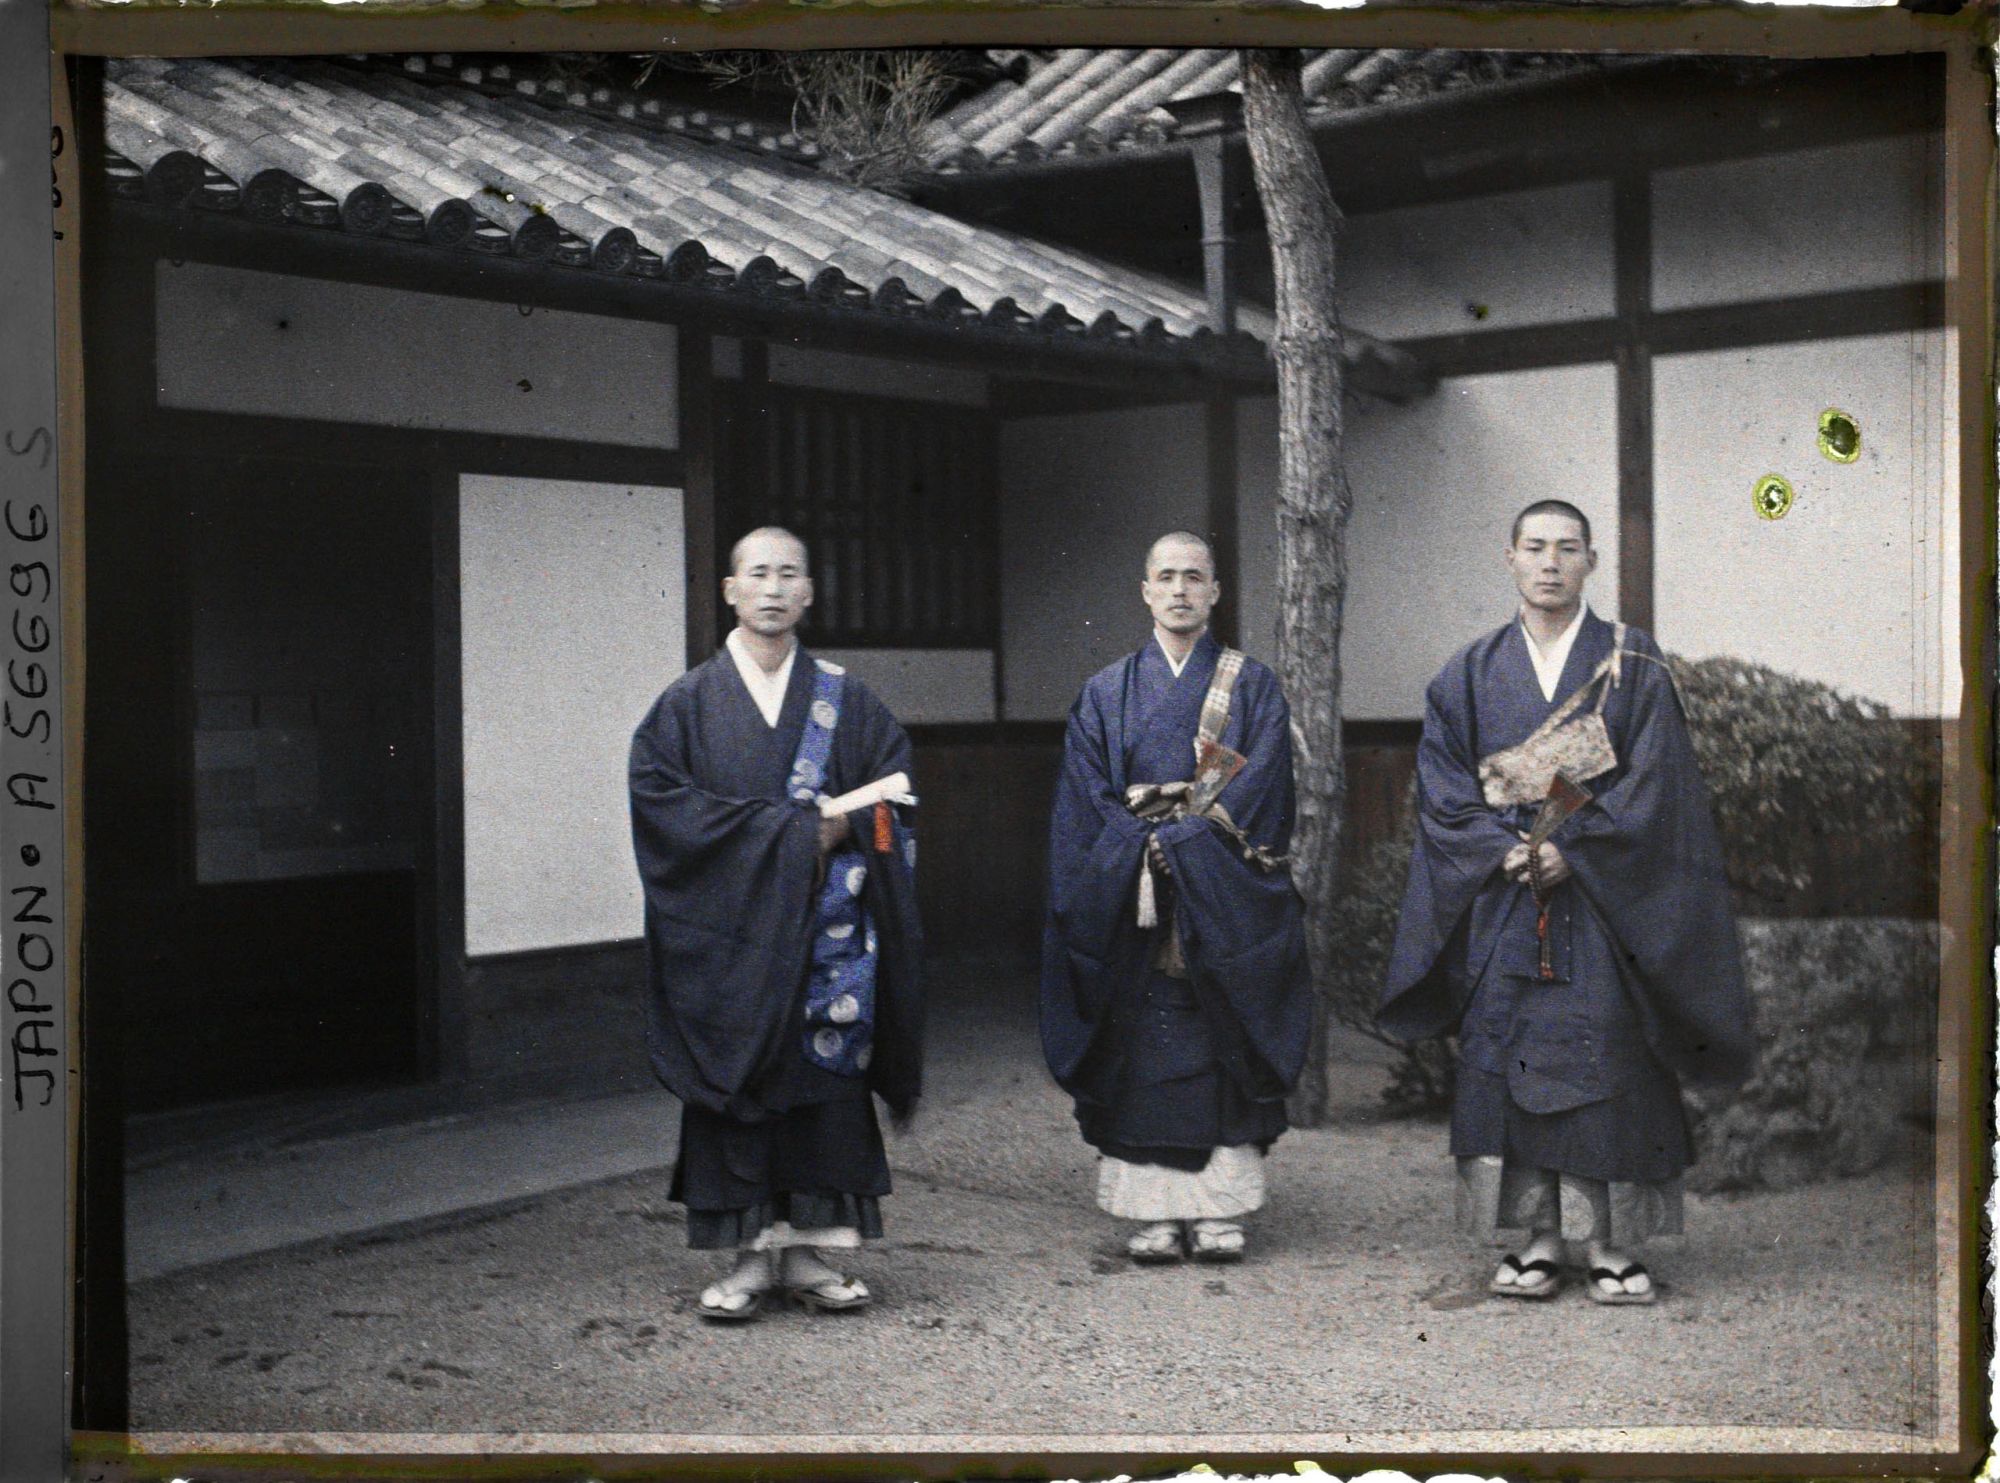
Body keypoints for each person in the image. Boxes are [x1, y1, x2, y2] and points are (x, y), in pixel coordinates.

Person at [1379, 499, 1754, 1305]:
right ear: (1509, 557)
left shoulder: (1632, 663)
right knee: (1509, 1053)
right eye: (1535, 547)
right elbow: (1444, 791)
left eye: (1568, 549)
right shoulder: (1467, 673)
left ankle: (1614, 1242)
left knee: (1611, 1052)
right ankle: (1539, 1238)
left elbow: (1661, 786)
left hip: (1604, 903)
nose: (1550, 562)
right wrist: (1502, 850)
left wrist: (1573, 850)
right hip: (1508, 895)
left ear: (1591, 562)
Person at [629, 526, 922, 1322]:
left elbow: (893, 792)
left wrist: (855, 832)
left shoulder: (846, 699)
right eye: (756, 573)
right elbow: (662, 809)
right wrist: (795, 836)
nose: (771, 587)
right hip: (727, 940)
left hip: (827, 936)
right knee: (739, 1082)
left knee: (822, 1087)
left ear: (808, 592)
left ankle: (806, 1252)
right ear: (729, 590)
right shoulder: (686, 705)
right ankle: (748, 1257)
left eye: (788, 573)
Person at [1040, 531, 1313, 1265]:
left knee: (1216, 1028)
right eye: (1167, 576)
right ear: (1146, 591)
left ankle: (1222, 1209)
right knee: (1143, 1038)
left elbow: (1262, 788)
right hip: (1135, 893)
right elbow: (1088, 797)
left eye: (1195, 577)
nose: (1182, 589)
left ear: (1216, 591)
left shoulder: (1250, 686)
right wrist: (1140, 848)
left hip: (1217, 890)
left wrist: (1184, 846)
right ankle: (1152, 1212)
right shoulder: (1106, 692)